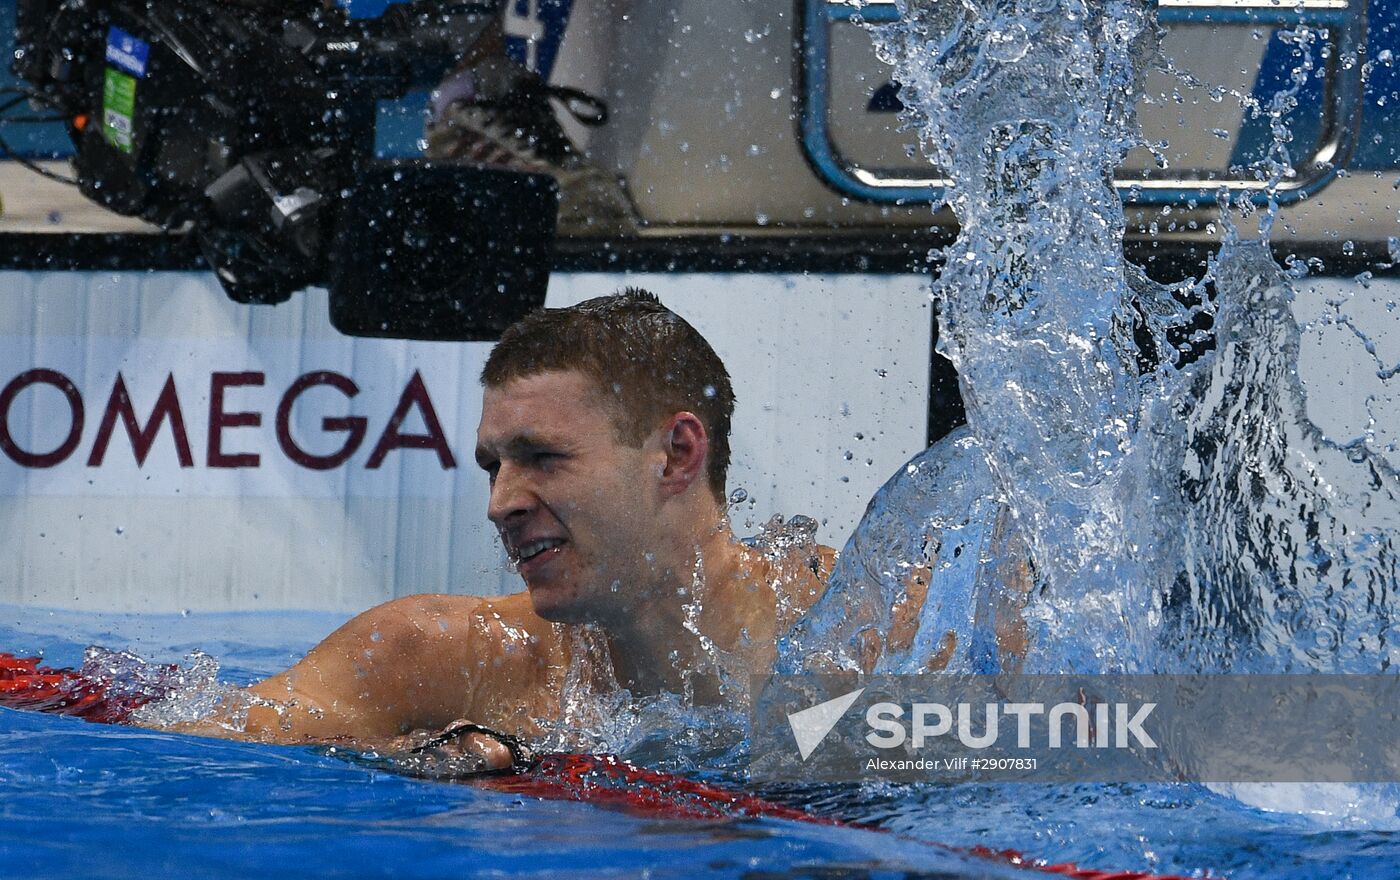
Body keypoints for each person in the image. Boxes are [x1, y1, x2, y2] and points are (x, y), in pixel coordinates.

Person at [171, 289, 832, 768]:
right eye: (494, 466)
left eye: (544, 457)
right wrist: (399, 756)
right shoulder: (444, 654)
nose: (501, 503)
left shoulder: (867, 626)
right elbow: (183, 739)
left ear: (677, 455)